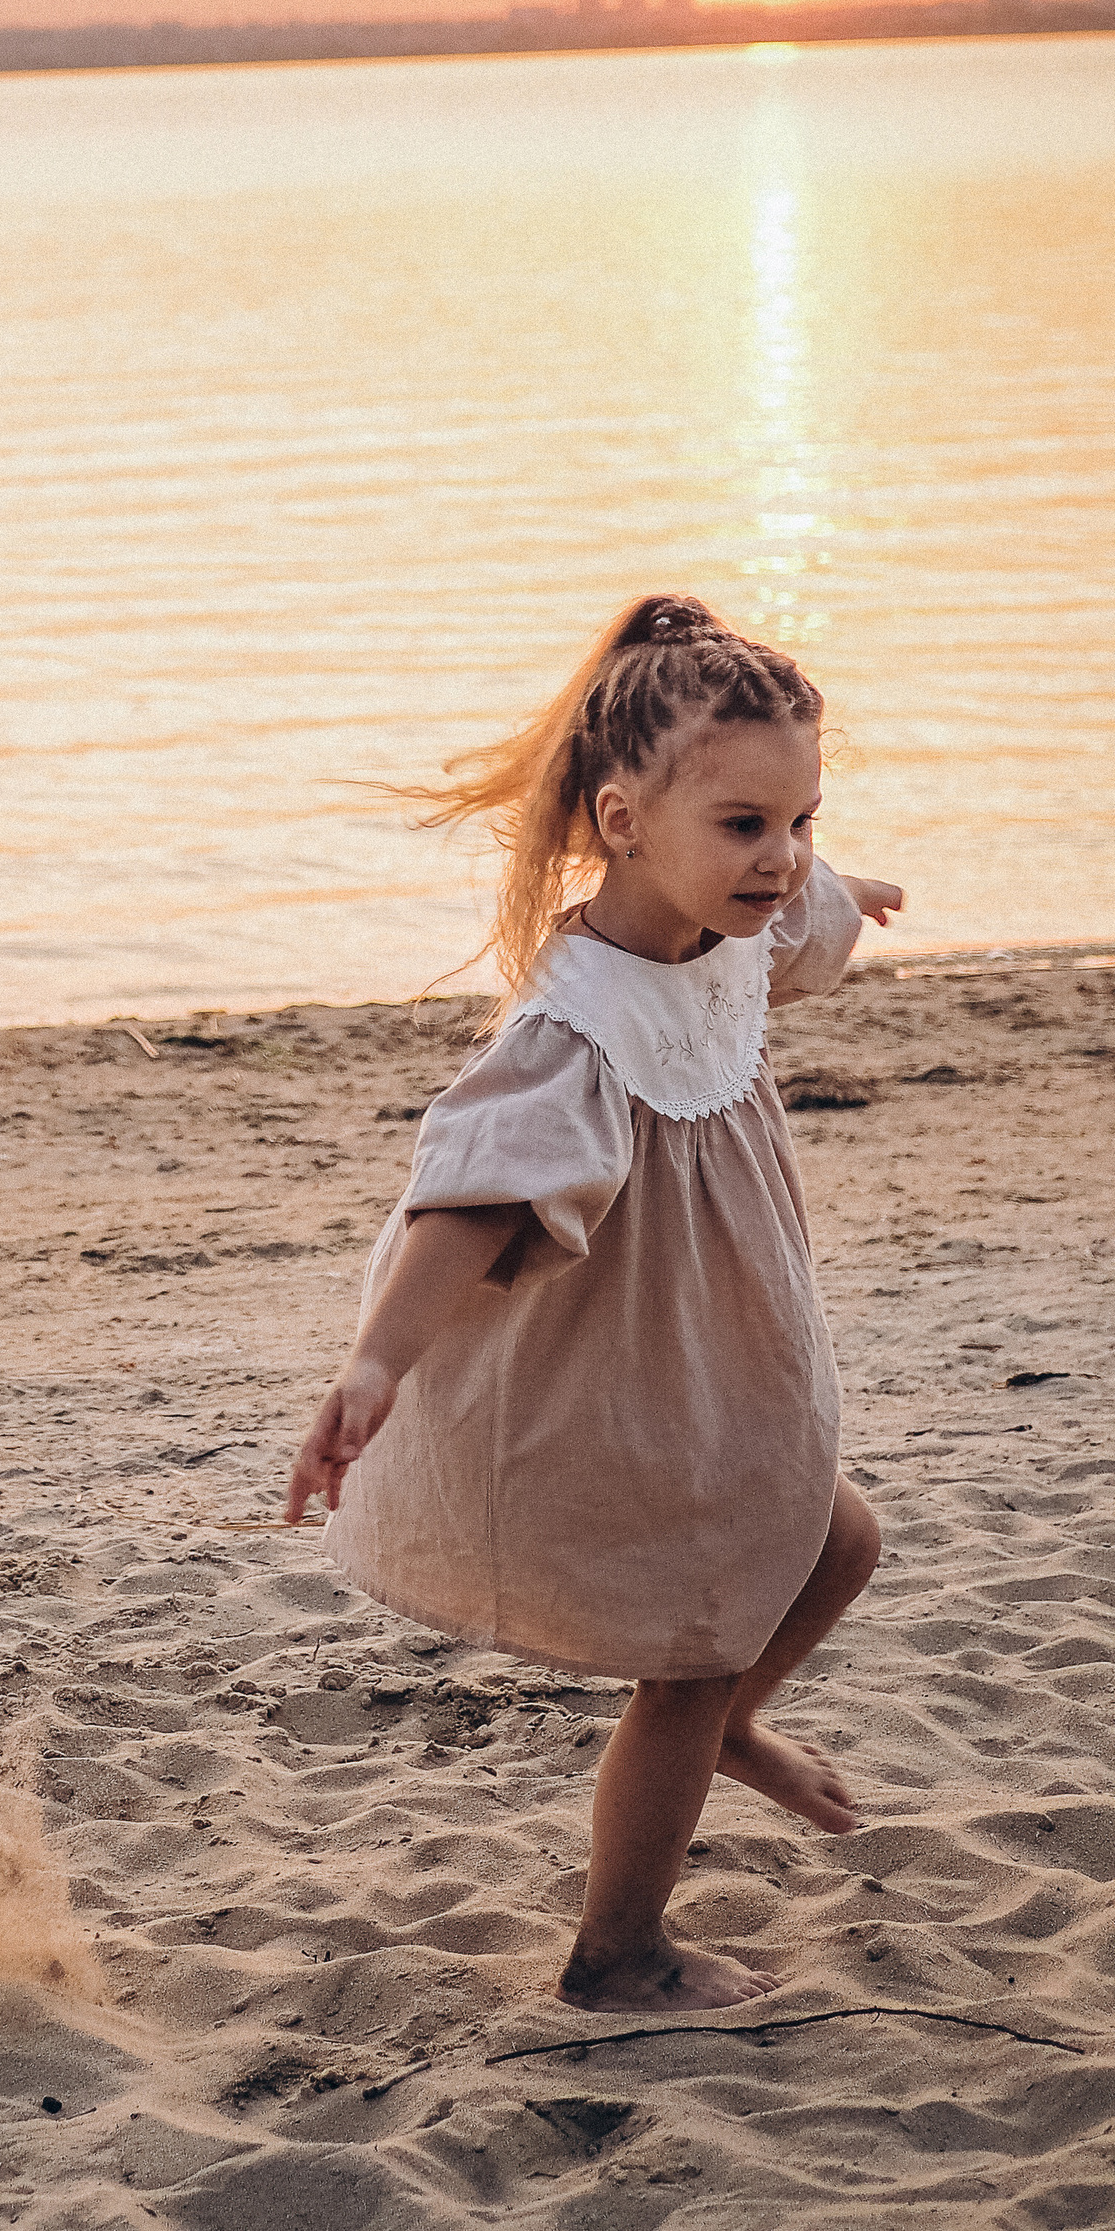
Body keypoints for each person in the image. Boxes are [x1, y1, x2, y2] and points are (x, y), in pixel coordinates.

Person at [284, 593, 907, 2014]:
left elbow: (803, 907)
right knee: (697, 1644)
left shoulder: (731, 914)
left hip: (725, 1355)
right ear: (624, 821)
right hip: (619, 1371)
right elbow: (471, 1200)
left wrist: (848, 885)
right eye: (747, 825)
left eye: (800, 818)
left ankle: (729, 1726)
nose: (782, 857)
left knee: (837, 1541)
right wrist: (376, 1363)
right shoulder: (573, 1030)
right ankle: (618, 1953)